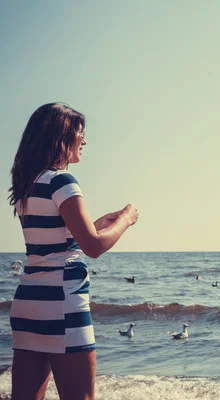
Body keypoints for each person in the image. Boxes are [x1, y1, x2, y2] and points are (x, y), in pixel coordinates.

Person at [7, 103, 139, 400]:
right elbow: (92, 247)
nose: (85, 140)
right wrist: (126, 220)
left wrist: (99, 223)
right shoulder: (63, 181)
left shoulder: (29, 184)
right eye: (81, 132)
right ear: (62, 136)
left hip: (29, 302)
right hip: (62, 303)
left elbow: (53, 243)